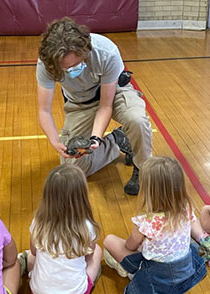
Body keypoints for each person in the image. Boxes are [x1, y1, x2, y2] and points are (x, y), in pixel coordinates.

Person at [36, 17, 153, 195]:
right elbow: (44, 110)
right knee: (74, 168)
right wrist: (55, 141)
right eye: (66, 68)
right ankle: (117, 140)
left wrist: (96, 138)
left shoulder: (106, 51)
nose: (73, 70)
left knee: (136, 119)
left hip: (115, 92)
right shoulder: (47, 64)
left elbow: (106, 105)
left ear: (85, 51)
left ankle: (143, 168)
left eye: (76, 64)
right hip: (80, 101)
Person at [103, 157, 207, 294]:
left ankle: (135, 273)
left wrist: (139, 242)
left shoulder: (148, 221)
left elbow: (129, 245)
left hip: (157, 276)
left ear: (148, 191)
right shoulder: (186, 207)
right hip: (184, 268)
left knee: (109, 240)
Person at [18, 164, 102, 294]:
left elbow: (34, 252)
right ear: (82, 196)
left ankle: (25, 264)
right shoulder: (86, 226)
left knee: (32, 255)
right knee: (98, 250)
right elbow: (90, 253)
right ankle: (92, 275)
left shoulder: (38, 222)